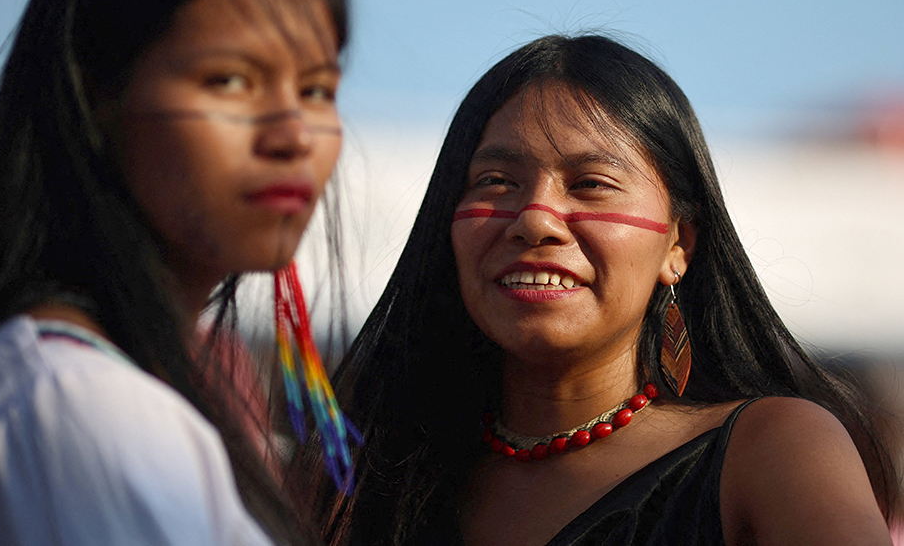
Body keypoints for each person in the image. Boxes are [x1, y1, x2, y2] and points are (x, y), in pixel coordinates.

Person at [309, 35, 899, 545]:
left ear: (678, 246)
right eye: (495, 181)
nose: (535, 219)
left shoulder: (771, 450)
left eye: (592, 184)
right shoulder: (364, 479)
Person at [0, 0, 350, 546]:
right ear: (94, 98)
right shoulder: (77, 404)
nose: (294, 131)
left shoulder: (94, 388)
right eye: (229, 79)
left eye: (317, 89)